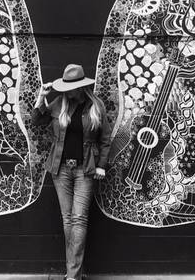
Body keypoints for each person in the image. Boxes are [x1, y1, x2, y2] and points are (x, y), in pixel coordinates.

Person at [32, 63, 111, 280]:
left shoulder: (96, 106)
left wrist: (101, 165)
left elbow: (105, 139)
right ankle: (74, 271)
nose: (67, 91)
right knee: (68, 219)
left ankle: (73, 275)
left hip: (85, 170)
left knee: (79, 219)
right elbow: (37, 121)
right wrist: (42, 96)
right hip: (60, 169)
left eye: (71, 88)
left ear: (81, 87)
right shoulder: (59, 103)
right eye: (65, 87)